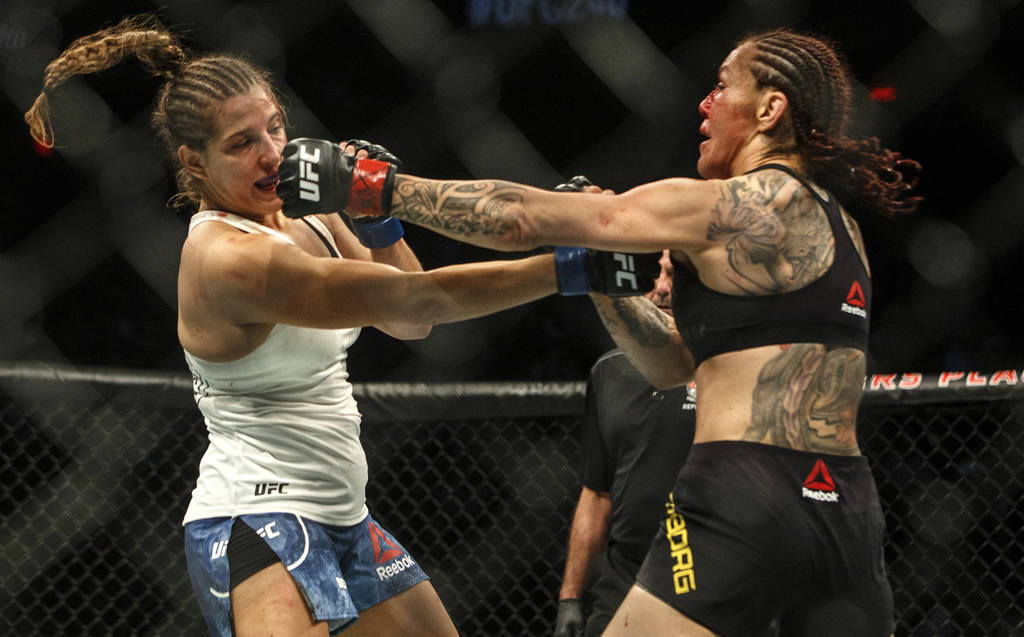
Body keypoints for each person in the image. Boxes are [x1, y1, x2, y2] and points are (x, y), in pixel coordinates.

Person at [24, 15, 659, 637]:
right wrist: (570, 266)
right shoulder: (228, 259)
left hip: (343, 516)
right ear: (193, 162)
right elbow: (418, 302)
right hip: (257, 517)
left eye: (275, 128)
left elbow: (407, 327)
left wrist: (373, 215)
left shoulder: (312, 221)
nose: (272, 154)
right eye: (241, 144)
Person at [282, 27, 921, 637]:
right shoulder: (841, 228)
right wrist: (606, 283)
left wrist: (374, 188)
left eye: (723, 85)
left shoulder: (736, 205)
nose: (705, 101)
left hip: (743, 488)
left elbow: (523, 219)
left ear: (769, 109)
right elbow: (672, 366)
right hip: (845, 502)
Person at [555, 249, 697, 637]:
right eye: (654, 277)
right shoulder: (609, 372)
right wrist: (570, 596)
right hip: (626, 575)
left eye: (675, 277)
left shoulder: (729, 368)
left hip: (710, 566)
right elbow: (596, 493)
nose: (662, 290)